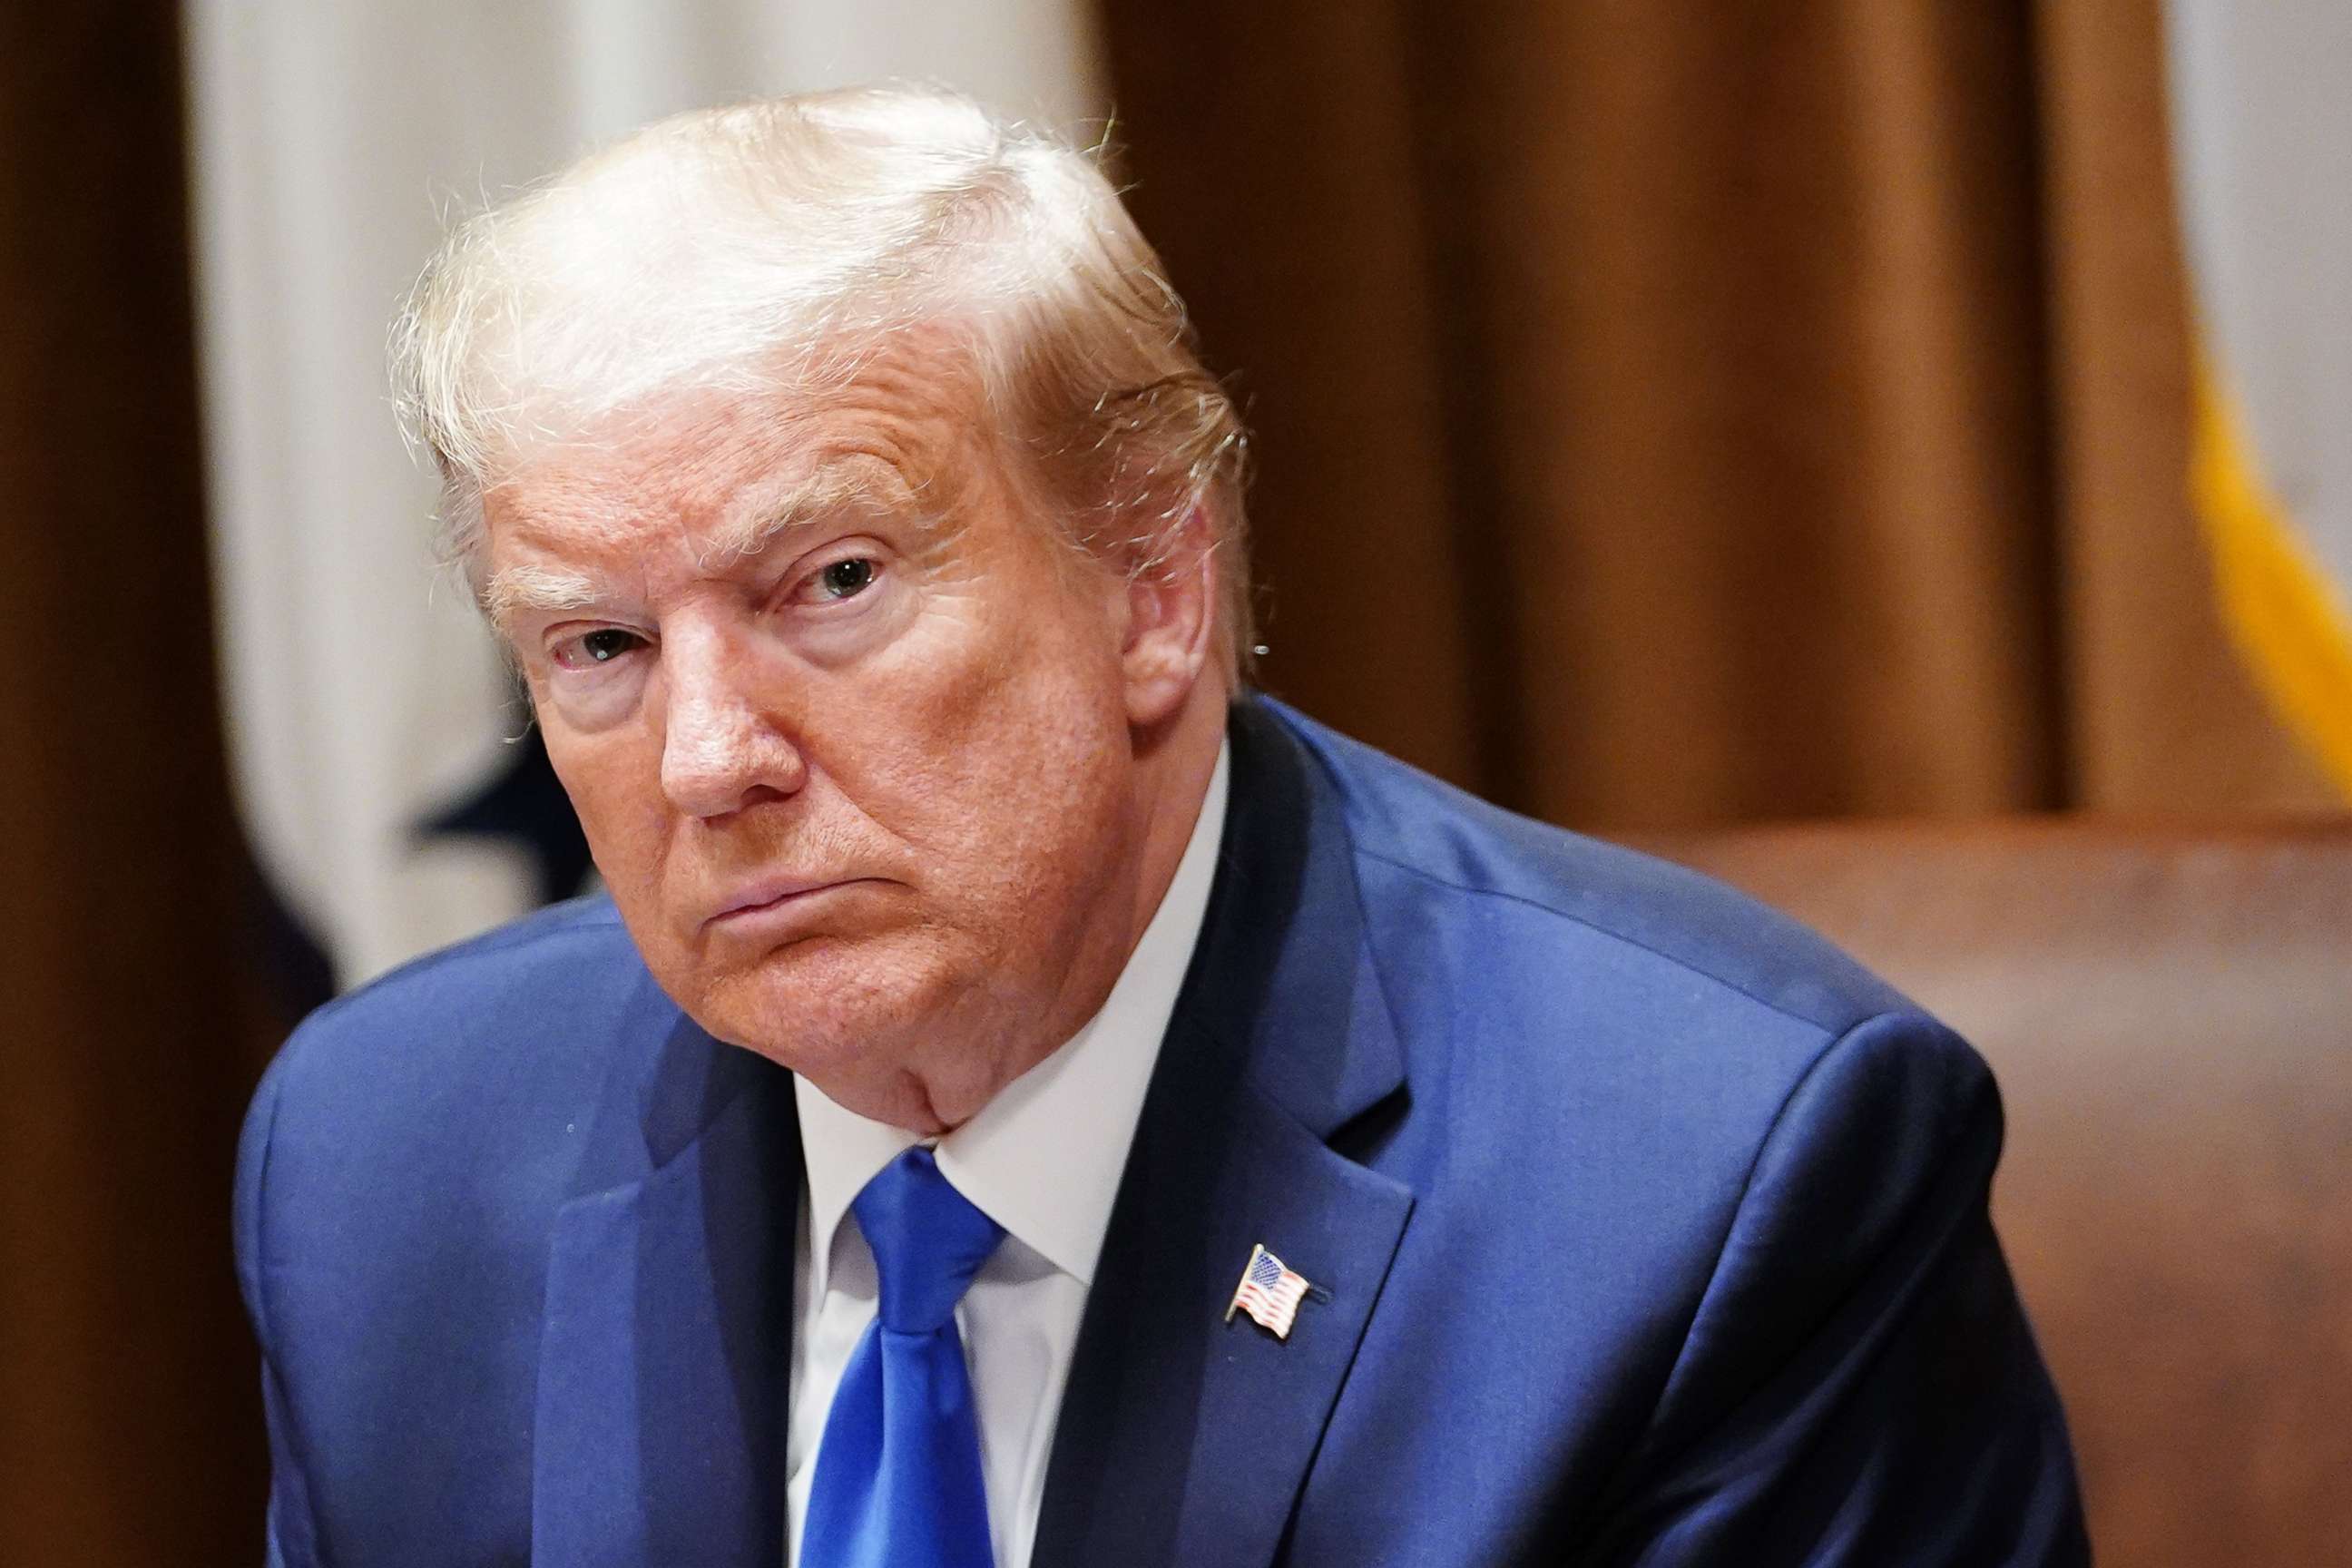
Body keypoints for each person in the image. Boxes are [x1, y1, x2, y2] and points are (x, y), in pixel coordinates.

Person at [234, 86, 2088, 1567]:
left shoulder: (1709, 1195)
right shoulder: (389, 1166)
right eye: (603, 645)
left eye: (835, 581)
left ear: (1150, 587)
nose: (711, 756)